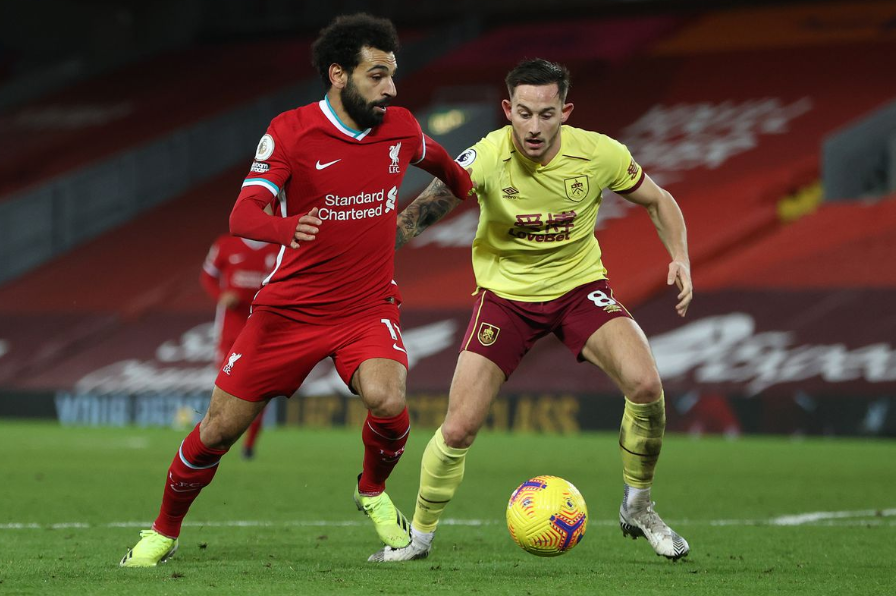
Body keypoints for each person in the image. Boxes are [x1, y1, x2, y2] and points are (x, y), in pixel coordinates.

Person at [120, 13, 473, 567]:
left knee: (390, 400)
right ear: (338, 73)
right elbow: (243, 214)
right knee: (216, 430)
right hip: (289, 310)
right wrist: (288, 227)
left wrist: (465, 189)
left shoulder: (399, 126)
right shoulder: (291, 130)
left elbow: (445, 166)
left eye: (393, 74)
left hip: (366, 306)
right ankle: (163, 531)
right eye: (377, 75)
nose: (391, 87)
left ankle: (372, 491)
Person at [370, 58, 693, 563]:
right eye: (524, 114)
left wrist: (679, 258)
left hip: (579, 289)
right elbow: (420, 212)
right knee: (457, 428)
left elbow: (659, 201)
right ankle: (420, 537)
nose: (535, 127)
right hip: (505, 300)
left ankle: (639, 504)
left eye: (546, 114)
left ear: (565, 111)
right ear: (508, 110)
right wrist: (363, 254)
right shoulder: (486, 157)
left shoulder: (600, 153)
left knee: (647, 386)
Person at [199, 234, 279, 459]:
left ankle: (249, 444)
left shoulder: (278, 246)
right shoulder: (225, 245)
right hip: (230, 332)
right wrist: (221, 295)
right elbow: (207, 276)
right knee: (224, 387)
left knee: (261, 390)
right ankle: (214, 438)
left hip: (263, 331)